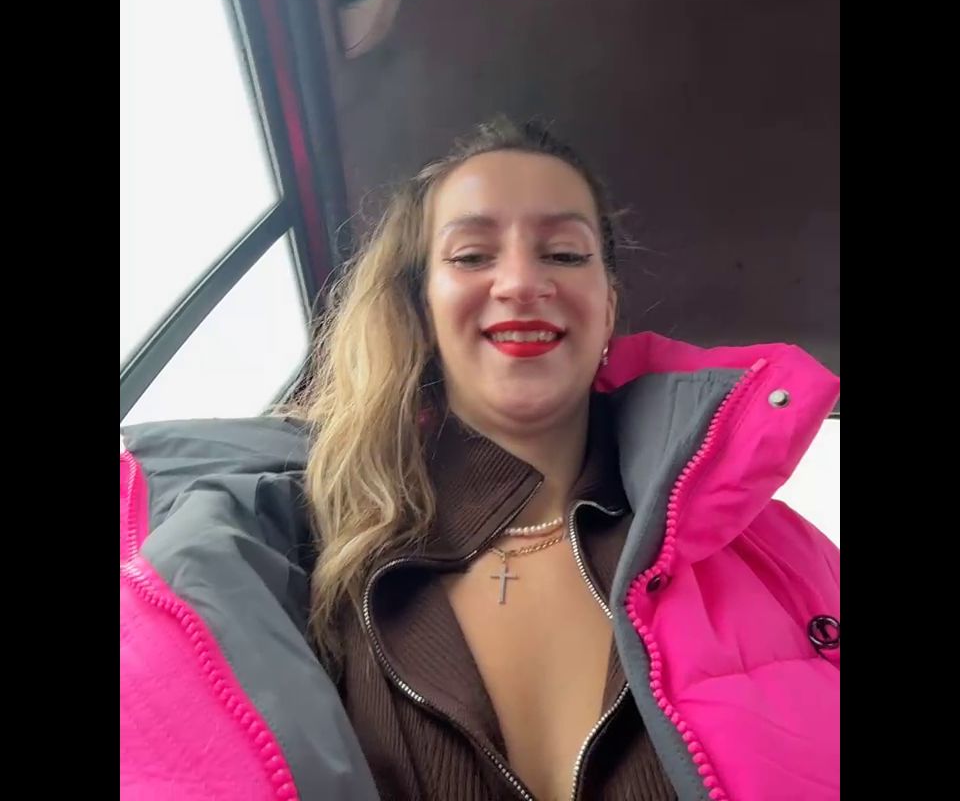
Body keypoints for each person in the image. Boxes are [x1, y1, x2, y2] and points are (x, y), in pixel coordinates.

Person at [120, 117, 840, 801]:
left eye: (564, 253)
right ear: (421, 308)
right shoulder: (295, 553)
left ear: (608, 306)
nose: (522, 282)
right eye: (470, 256)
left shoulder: (781, 552)